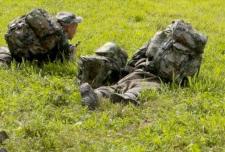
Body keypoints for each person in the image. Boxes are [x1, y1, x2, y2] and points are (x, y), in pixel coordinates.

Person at [78, 20, 206, 109]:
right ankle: (127, 98)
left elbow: (140, 52)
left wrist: (130, 67)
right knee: (145, 88)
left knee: (119, 85)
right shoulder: (192, 52)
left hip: (142, 67)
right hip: (160, 79)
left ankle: (97, 94)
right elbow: (190, 74)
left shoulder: (161, 36)